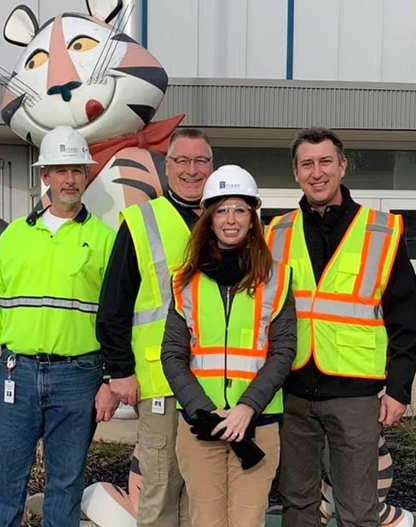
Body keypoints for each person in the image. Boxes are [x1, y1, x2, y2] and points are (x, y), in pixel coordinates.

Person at [265, 127, 416, 527]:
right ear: (296, 173)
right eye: (307, 164)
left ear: (342, 166)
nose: (317, 173)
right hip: (293, 390)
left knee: (357, 507)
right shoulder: (275, 233)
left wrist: (399, 389)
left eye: (325, 162)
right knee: (297, 503)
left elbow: (407, 320)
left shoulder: (381, 231)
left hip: (355, 393)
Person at [0, 125, 118, 527]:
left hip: (80, 377)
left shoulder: (105, 240)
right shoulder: (16, 236)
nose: (69, 179)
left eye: (77, 170)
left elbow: (116, 319)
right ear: (45, 177)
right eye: (60, 170)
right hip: (18, 372)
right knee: (4, 481)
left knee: (66, 483)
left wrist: (110, 377)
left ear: (87, 176)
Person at [161, 164, 297, 527]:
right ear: (209, 218)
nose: (231, 219)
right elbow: (172, 354)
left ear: (253, 218)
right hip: (200, 425)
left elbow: (283, 351)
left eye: (240, 209)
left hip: (256, 423)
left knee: (247, 521)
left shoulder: (277, 277)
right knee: (205, 520)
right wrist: (203, 410)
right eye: (221, 210)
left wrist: (245, 410)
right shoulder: (184, 280)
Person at [96, 128, 214, 527]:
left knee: (200, 493)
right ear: (168, 167)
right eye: (182, 160)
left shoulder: (228, 218)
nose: (192, 170)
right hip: (158, 381)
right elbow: (114, 305)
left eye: (201, 161)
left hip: (213, 382)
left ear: (211, 167)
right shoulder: (142, 220)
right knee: (161, 489)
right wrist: (120, 371)